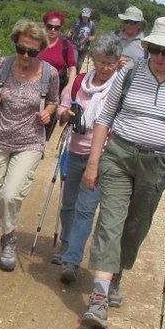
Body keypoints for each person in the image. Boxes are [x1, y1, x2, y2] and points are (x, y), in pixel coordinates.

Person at [79, 17, 165, 329]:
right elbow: (105, 117)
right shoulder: (129, 73)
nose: (159, 57)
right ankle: (99, 297)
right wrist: (93, 163)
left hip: (157, 164)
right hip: (119, 155)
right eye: (155, 49)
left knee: (136, 226)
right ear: (147, 47)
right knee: (110, 222)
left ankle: (117, 272)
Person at [0, 20, 59, 272]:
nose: (26, 56)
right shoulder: (2, 65)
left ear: (40, 49)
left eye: (32, 51)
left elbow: (53, 100)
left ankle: (8, 238)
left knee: (9, 195)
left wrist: (48, 113)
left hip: (29, 140)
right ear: (15, 44)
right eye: (21, 49)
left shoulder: (49, 73)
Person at [52, 34, 123, 285]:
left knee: (85, 209)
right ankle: (67, 245)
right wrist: (65, 113)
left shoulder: (120, 88)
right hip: (73, 150)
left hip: (101, 157)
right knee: (68, 204)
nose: (105, 68)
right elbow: (61, 106)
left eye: (111, 63)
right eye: (102, 62)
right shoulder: (80, 82)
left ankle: (71, 261)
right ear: (92, 59)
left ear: (117, 63)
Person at [38, 9, 77, 100]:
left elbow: (72, 68)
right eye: (49, 26)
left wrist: (69, 86)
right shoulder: (36, 42)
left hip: (57, 86)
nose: (53, 30)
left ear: (61, 28)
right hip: (35, 83)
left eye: (57, 27)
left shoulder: (66, 44)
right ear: (44, 25)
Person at [68, 7, 97, 71]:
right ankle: (71, 77)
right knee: (74, 63)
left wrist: (89, 38)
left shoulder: (92, 24)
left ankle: (76, 77)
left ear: (89, 16)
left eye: (86, 17)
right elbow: (71, 30)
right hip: (75, 45)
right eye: (84, 16)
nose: (85, 18)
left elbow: (94, 36)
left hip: (85, 47)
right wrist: (70, 33)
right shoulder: (77, 22)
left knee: (79, 65)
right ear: (81, 15)